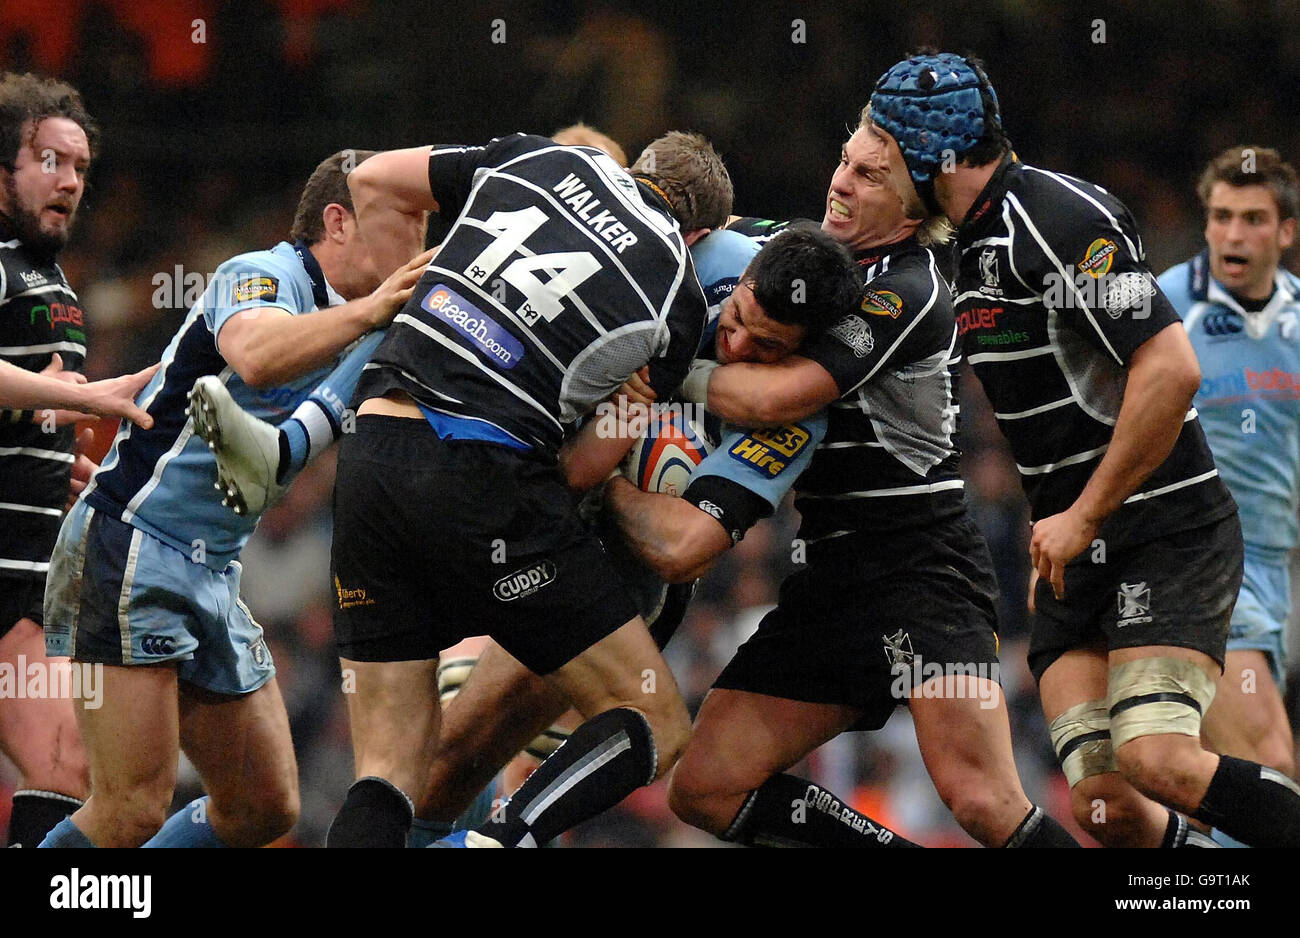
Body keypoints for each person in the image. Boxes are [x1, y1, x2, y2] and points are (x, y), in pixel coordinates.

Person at [868, 50, 1300, 847]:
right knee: (1107, 804)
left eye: (884, 152)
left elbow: (1171, 370)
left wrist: (1085, 515)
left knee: (1158, 759)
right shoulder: (963, 242)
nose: (874, 168)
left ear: (935, 157)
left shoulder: (1062, 219)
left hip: (1164, 530)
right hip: (1076, 555)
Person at [648, 115, 1079, 848]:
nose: (842, 181)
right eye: (846, 162)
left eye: (870, 175)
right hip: (832, 580)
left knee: (983, 801)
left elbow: (773, 401)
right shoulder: (799, 253)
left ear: (916, 204)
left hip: (920, 570)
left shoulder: (909, 289)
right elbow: (688, 224)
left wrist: (659, 371)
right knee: (705, 787)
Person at [323, 130, 733, 849]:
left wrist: (388, 294)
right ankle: (500, 842)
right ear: (701, 233)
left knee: (388, 772)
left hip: (369, 449)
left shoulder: (540, 156)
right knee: (655, 720)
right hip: (482, 477)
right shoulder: (680, 298)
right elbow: (582, 469)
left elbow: (375, 180)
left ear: (633, 167)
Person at [37, 150, 432, 847]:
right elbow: (254, 355)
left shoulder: (365, 332)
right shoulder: (259, 273)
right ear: (338, 222)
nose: (420, 245)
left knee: (264, 808)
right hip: (134, 541)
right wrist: (376, 311)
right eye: (406, 219)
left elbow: (301, 444)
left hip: (216, 569)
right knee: (129, 809)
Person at [0, 71, 151, 849]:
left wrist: (46, 461)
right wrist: (87, 403)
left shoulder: (50, 277)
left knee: (65, 761)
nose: (68, 182)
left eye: (80, 168)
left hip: (20, 574)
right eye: (49, 162)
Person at [1158, 146, 1299, 800]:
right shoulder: (1164, 307)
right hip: (1201, 560)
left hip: (1278, 571)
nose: (1234, 234)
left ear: (1286, 231)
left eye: (1252, 219)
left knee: (1207, 787)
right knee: (1270, 764)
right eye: (1221, 217)